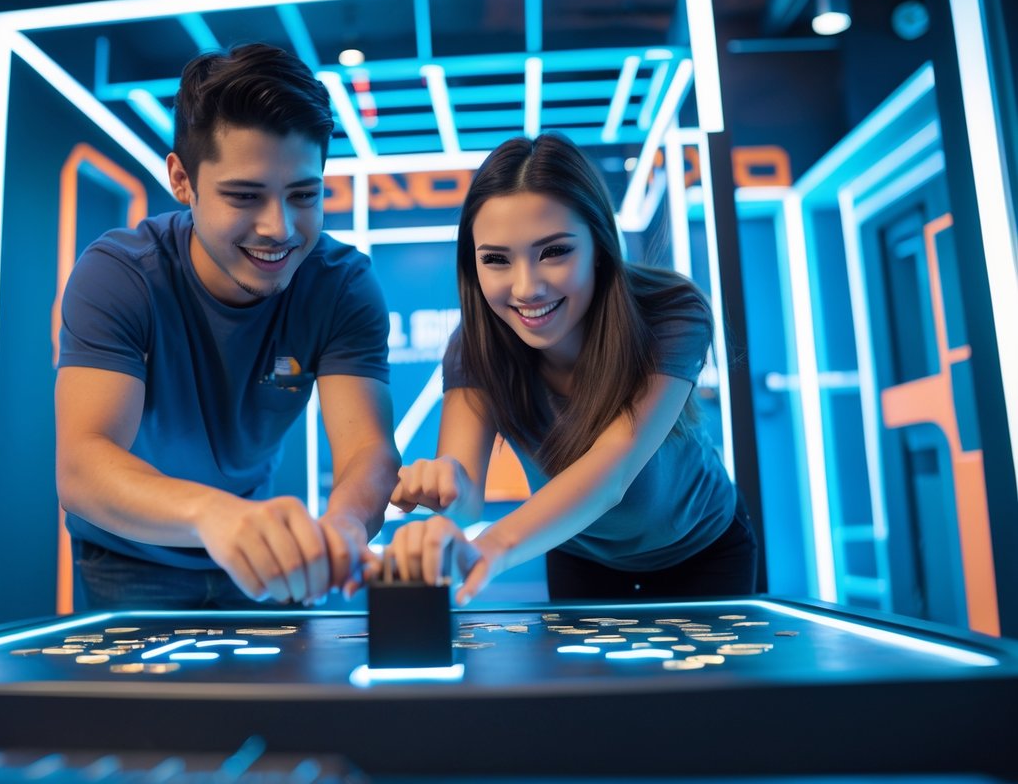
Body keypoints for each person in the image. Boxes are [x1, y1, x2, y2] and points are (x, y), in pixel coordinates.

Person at [55, 43, 399, 610]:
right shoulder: (119, 275)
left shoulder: (342, 284)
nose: (279, 228)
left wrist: (344, 528)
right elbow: (82, 466)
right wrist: (212, 513)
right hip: (132, 557)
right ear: (182, 180)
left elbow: (368, 447)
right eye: (244, 196)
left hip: (259, 557)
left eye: (303, 195)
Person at [382, 132, 757, 605]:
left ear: (599, 246)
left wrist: (492, 548)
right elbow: (467, 498)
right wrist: (448, 488)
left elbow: (611, 476)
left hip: (703, 549)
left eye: (554, 251)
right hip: (578, 552)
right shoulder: (474, 347)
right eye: (496, 259)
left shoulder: (670, 311)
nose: (527, 288)